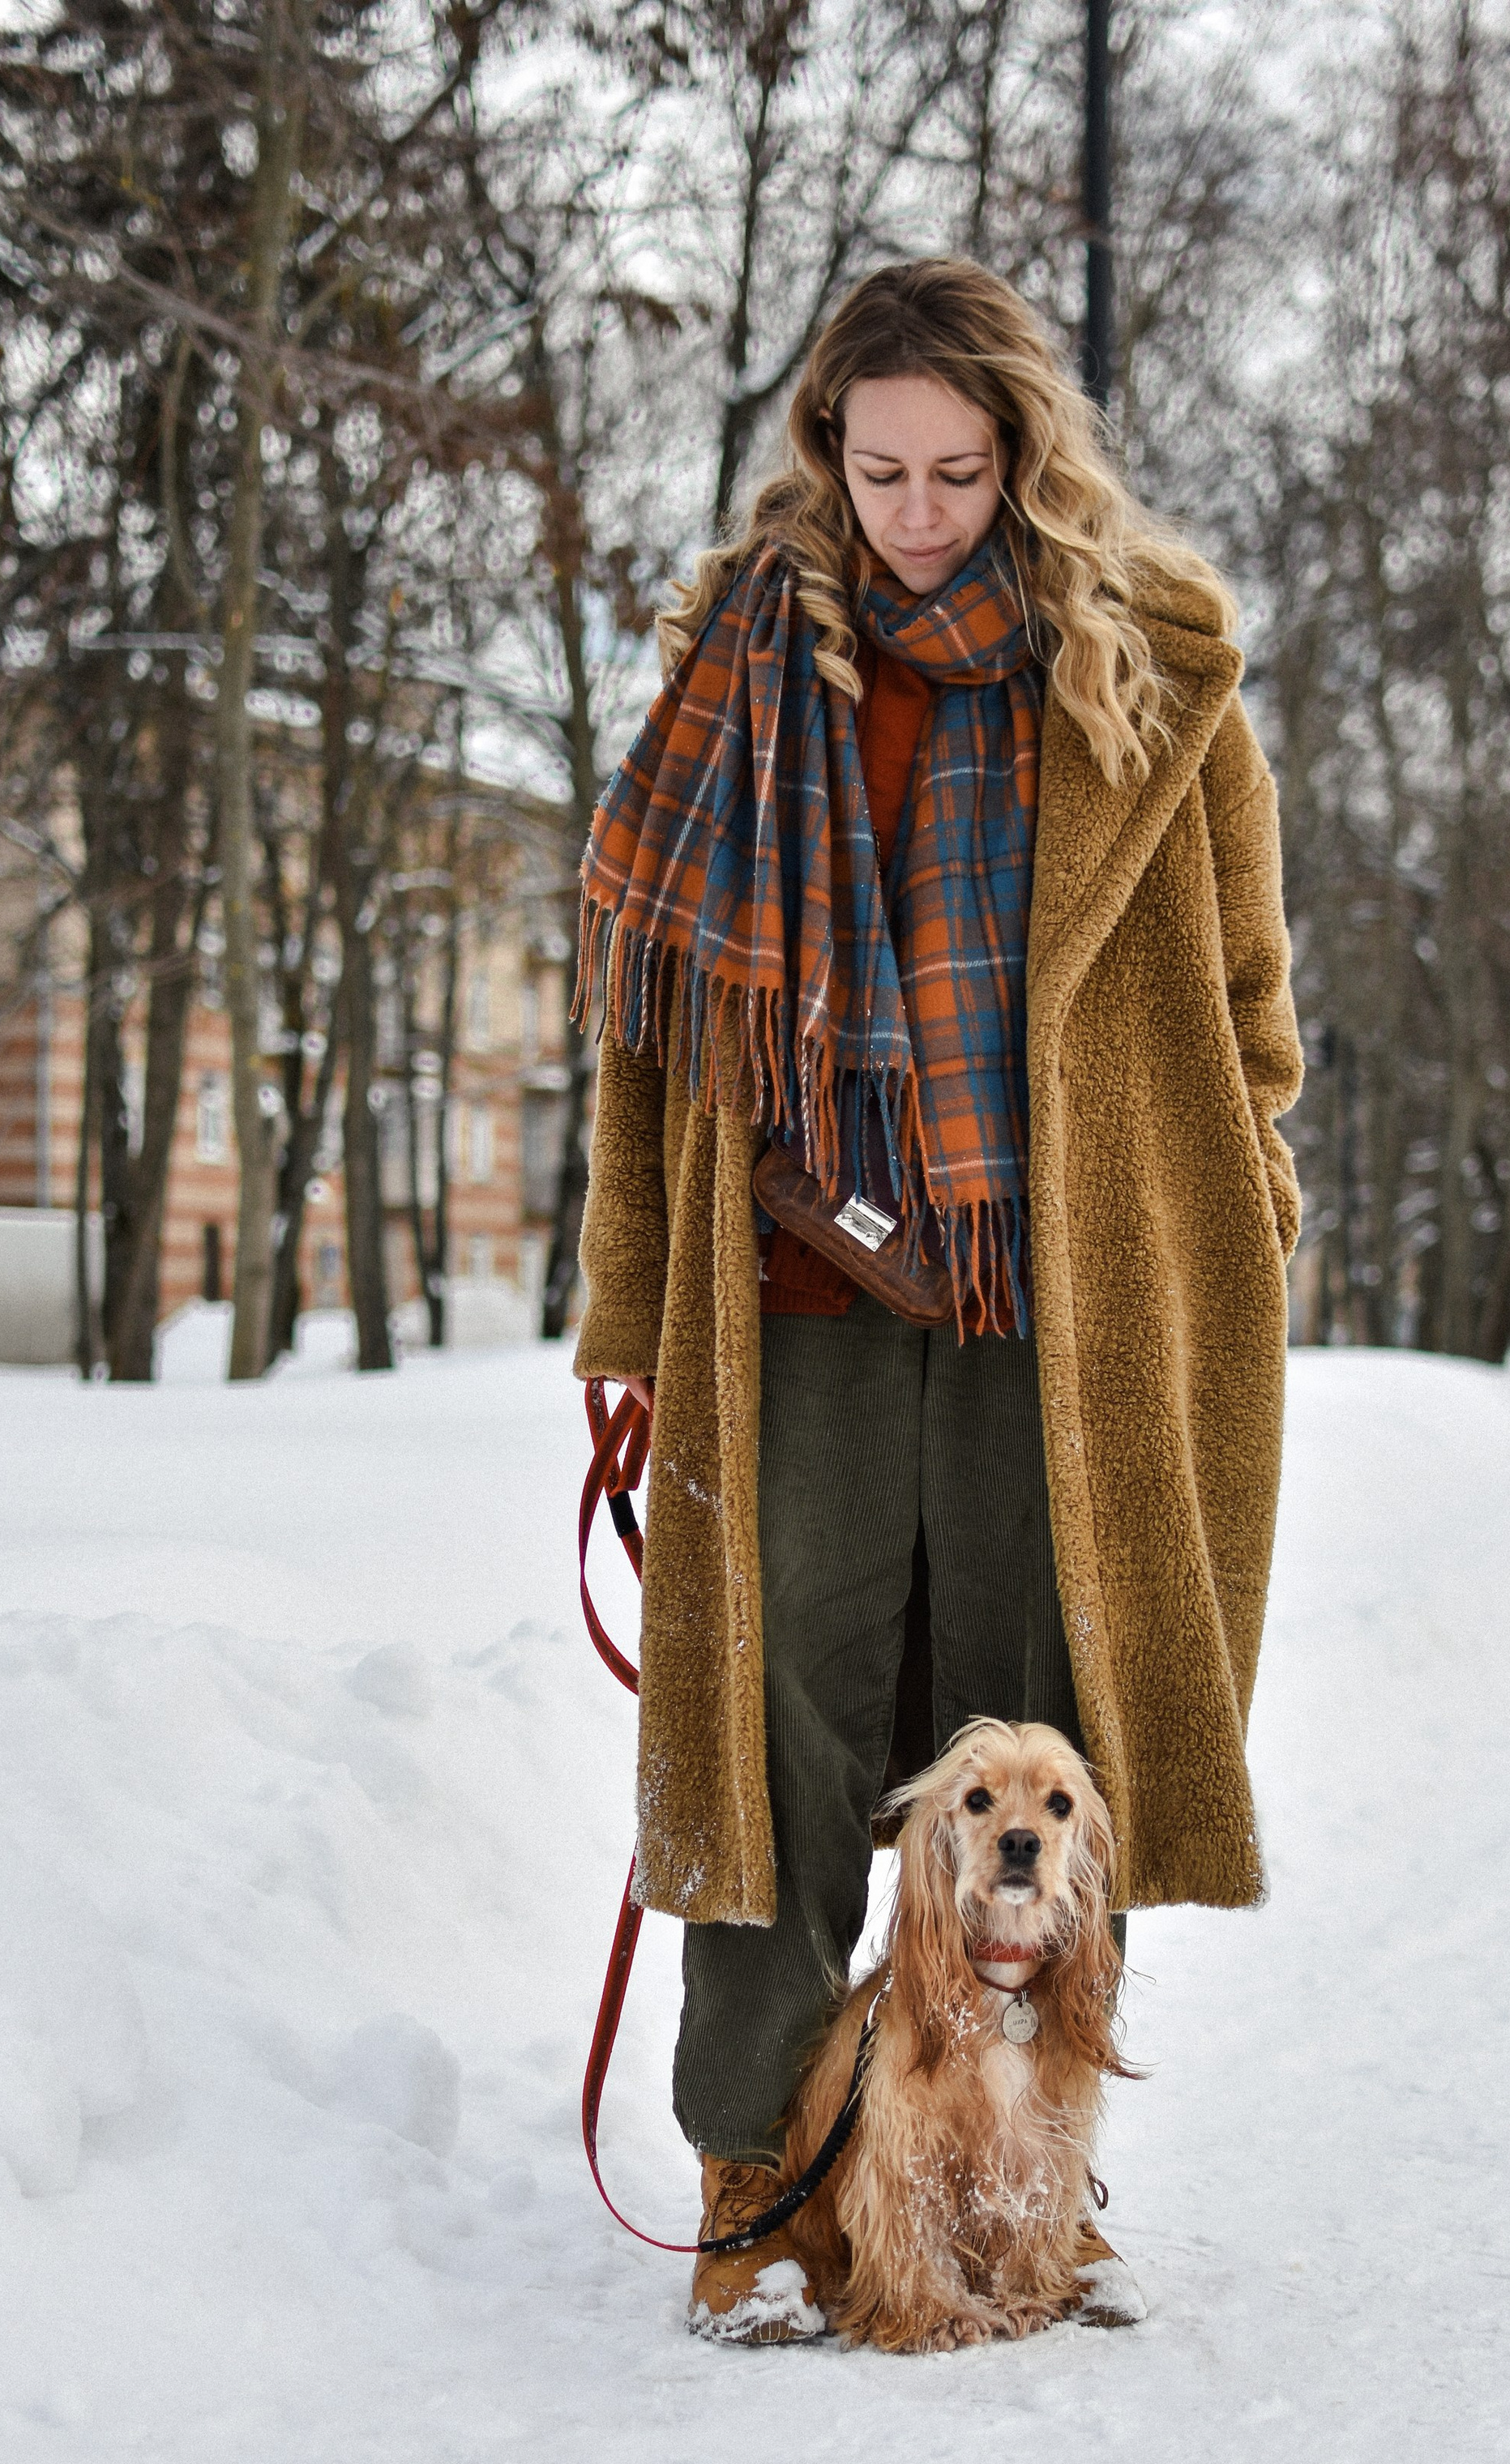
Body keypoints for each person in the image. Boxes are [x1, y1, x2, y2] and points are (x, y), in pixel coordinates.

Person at [572, 256, 1303, 2342]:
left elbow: (1246, 1002)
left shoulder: (1151, 672)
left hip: (1057, 1307)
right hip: (789, 1292)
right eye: (876, 469)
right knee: (780, 1748)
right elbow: (648, 1033)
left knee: (1031, 1745)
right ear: (826, 451)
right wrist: (626, 1317)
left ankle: (1024, 2178)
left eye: (956, 472)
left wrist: (1246, 1196)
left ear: (1023, 457)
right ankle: (757, 2183)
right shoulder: (732, 670)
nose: (912, 511)